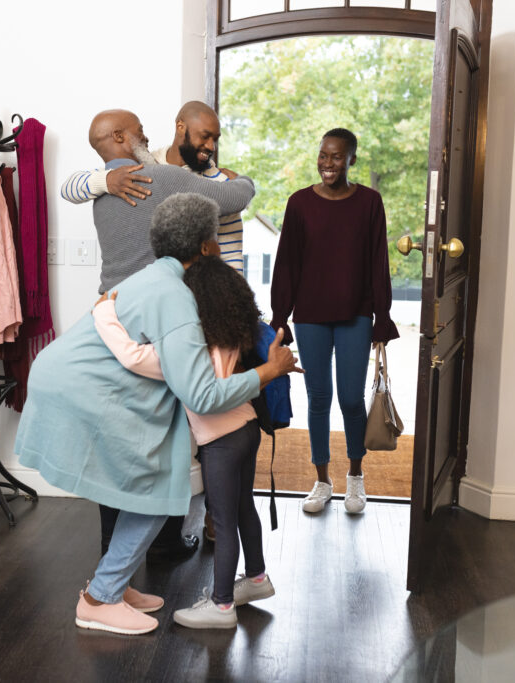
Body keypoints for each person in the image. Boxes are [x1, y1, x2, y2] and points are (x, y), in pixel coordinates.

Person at [15, 193, 299, 635]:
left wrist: (104, 315)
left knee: (145, 489)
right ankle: (99, 599)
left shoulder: (151, 278)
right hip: (86, 392)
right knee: (155, 492)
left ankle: (114, 583)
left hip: (70, 380)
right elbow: (202, 393)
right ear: (207, 246)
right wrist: (266, 372)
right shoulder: (178, 301)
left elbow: (149, 358)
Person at [78, 108, 257, 560]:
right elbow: (236, 196)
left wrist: (100, 179)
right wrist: (241, 181)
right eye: (137, 128)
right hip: (158, 320)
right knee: (166, 436)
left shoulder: (100, 193)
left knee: (118, 439)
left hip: (113, 319)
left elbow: (75, 186)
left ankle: (109, 546)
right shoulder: (164, 179)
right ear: (119, 137)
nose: (145, 133)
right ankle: (161, 546)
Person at [93, 254, 292, 629]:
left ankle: (220, 607)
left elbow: (133, 356)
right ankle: (257, 579)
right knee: (243, 506)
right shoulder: (234, 332)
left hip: (221, 441)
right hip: (248, 429)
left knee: (223, 517)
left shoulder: (189, 348)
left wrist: (104, 313)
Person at [270, 128, 399, 515]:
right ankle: (322, 481)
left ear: (351, 160)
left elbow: (379, 262)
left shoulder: (370, 203)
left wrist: (383, 317)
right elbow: (287, 264)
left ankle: (355, 478)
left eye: (337, 157)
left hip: (356, 313)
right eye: (323, 156)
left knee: (350, 399)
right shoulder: (299, 204)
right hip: (310, 315)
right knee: (318, 398)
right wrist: (280, 316)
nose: (328, 163)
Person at [61, 101, 247, 273]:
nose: (211, 146)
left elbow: (231, 252)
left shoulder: (221, 182)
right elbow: (68, 188)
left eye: (215, 139)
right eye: (205, 136)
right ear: (180, 127)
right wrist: (106, 180)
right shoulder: (141, 168)